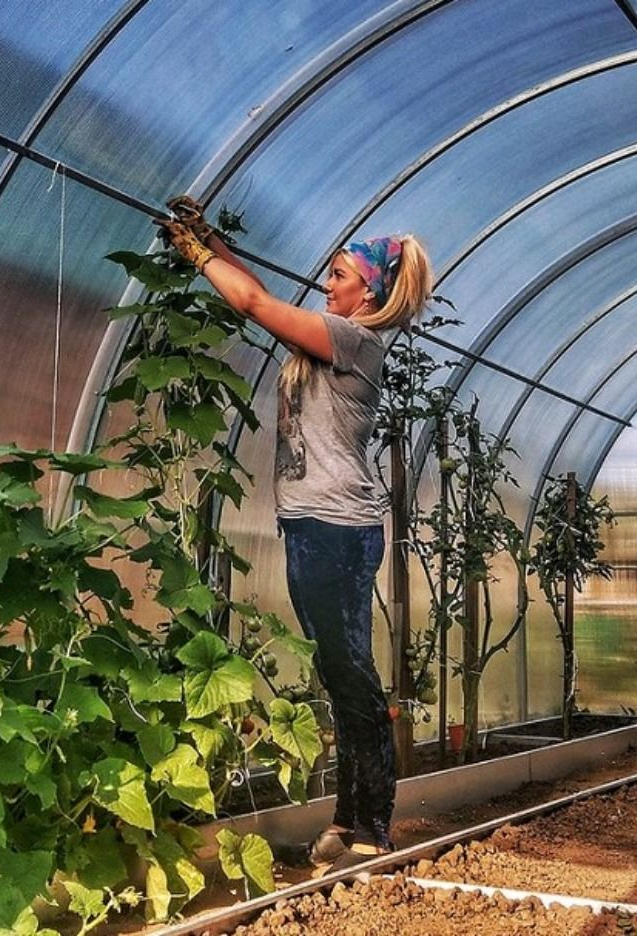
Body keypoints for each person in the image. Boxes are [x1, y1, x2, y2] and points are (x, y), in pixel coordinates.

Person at [156, 197, 433, 872]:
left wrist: (197, 256)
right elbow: (265, 298)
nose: (326, 283)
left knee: (353, 676)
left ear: (368, 290)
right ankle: (348, 820)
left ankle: (374, 826)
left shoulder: (355, 340)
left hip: (337, 528)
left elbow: (252, 304)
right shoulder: (331, 330)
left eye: (338, 274)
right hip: (316, 524)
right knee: (340, 676)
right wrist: (214, 242)